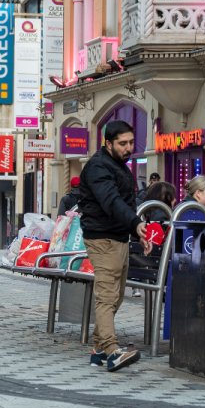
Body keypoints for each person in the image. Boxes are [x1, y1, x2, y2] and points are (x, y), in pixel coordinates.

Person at [78, 119, 153, 372]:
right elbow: (111, 201)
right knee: (107, 296)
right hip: (102, 238)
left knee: (116, 296)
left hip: (118, 237)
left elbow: (125, 204)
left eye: (131, 142)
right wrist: (135, 223)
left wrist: (137, 230)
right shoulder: (99, 167)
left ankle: (99, 350)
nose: (128, 148)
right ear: (108, 143)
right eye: (123, 143)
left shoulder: (118, 165)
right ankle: (111, 351)